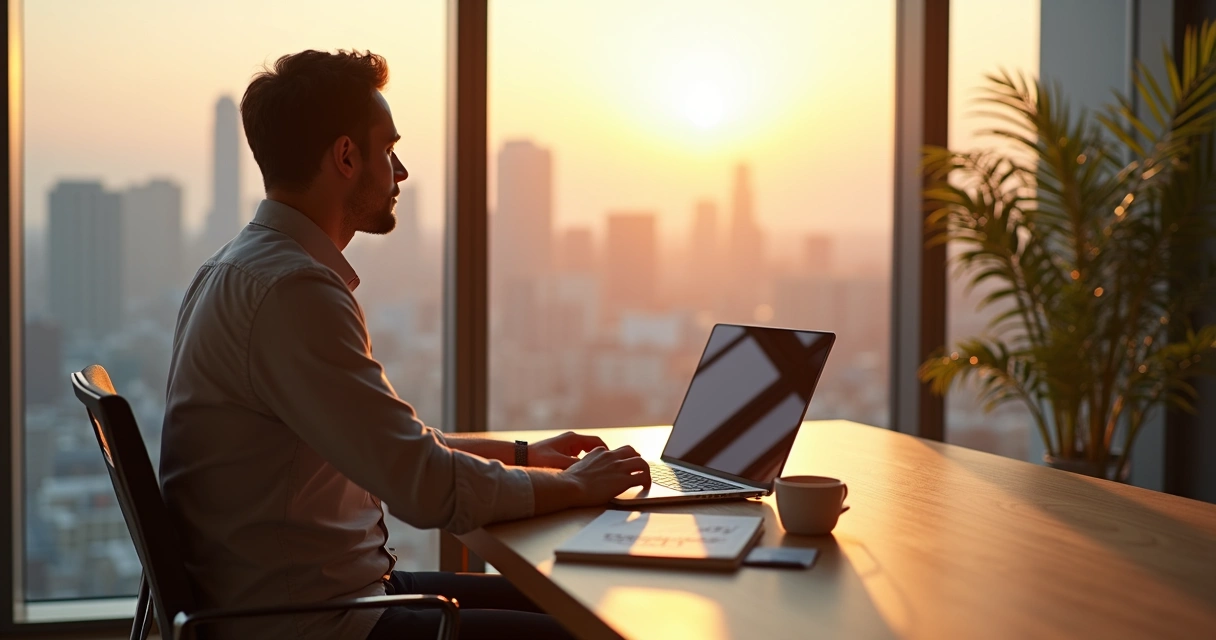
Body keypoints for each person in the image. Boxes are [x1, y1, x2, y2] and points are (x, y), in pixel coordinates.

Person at [159, 49, 651, 640]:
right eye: (388, 150)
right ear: (346, 157)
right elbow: (422, 486)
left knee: (575, 600)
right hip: (318, 623)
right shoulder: (293, 292)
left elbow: (386, 448)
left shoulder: (239, 269)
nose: (401, 171)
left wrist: (523, 455)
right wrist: (573, 486)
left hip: (321, 597)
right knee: (590, 624)